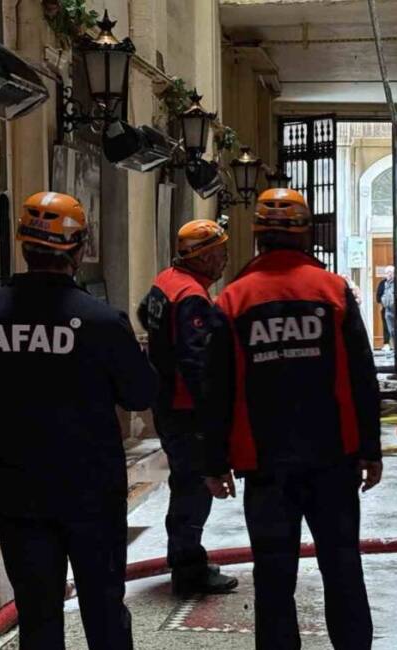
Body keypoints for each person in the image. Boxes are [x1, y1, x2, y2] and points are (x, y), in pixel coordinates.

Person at [0, 191, 156, 649]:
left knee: (38, 615)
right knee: (103, 609)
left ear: (24, 247)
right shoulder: (103, 321)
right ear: (79, 249)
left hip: (19, 492)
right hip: (92, 493)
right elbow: (141, 393)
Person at [202, 188, 383, 650]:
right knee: (342, 567)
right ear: (306, 235)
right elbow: (363, 376)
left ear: (257, 236)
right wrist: (370, 449)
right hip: (333, 459)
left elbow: (216, 389)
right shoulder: (334, 291)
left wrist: (213, 461)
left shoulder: (233, 300)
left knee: (274, 578)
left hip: (264, 466)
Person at [137, 220, 239, 598]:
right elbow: (199, 366)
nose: (225, 259)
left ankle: (185, 558)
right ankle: (188, 568)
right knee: (193, 490)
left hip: (165, 402)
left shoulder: (166, 280)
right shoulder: (192, 297)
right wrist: (215, 418)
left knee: (184, 484)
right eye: (221, 253)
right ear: (205, 255)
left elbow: (143, 311)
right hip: (185, 409)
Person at [376, 265, 396, 352]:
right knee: (388, 327)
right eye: (388, 272)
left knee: (396, 327)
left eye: (391, 272)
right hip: (386, 308)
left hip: (396, 309)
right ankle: (387, 344)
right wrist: (383, 302)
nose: (390, 274)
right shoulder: (382, 283)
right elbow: (378, 296)